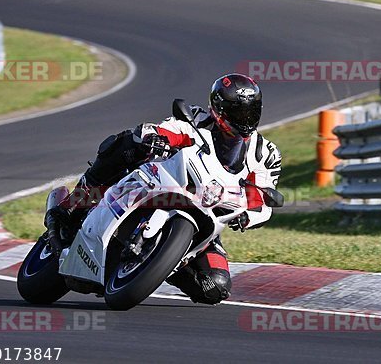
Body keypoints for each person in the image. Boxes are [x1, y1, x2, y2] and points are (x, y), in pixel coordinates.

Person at [45, 73, 282, 305]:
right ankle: (74, 204)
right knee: (125, 144)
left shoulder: (265, 154)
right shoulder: (197, 120)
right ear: (218, 108)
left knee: (214, 287)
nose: (246, 118)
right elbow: (169, 129)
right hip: (165, 183)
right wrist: (156, 137)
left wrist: (248, 216)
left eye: (252, 110)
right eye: (238, 111)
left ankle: (159, 262)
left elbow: (262, 196)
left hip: (208, 213)